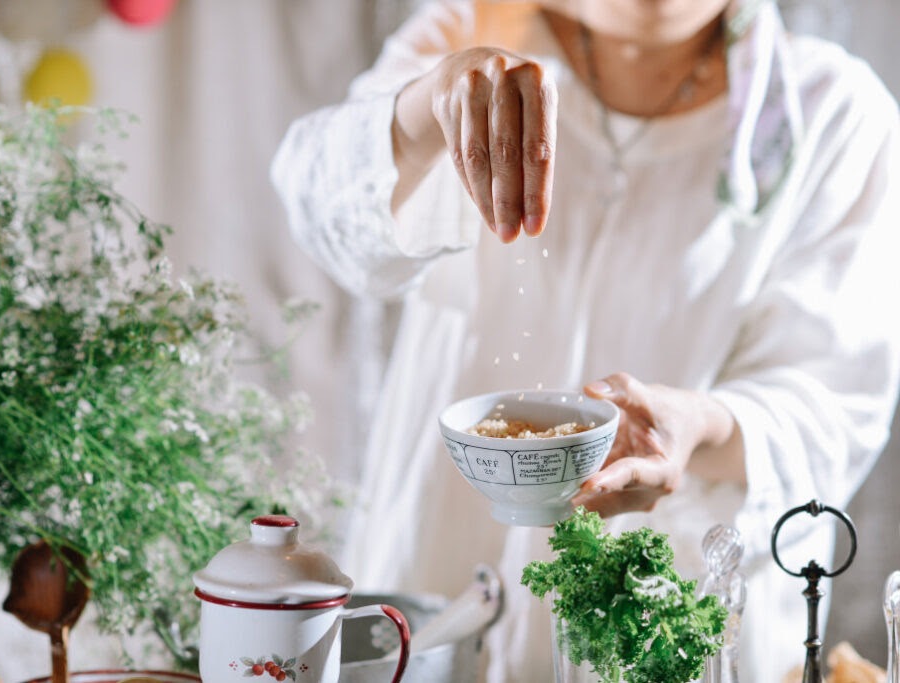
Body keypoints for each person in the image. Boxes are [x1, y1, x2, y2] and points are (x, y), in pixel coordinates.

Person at [270, 0, 900, 680]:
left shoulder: (832, 111)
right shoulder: (476, 26)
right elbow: (317, 199)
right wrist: (428, 106)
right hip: (440, 581)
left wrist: (698, 426)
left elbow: (835, 400)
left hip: (664, 616)